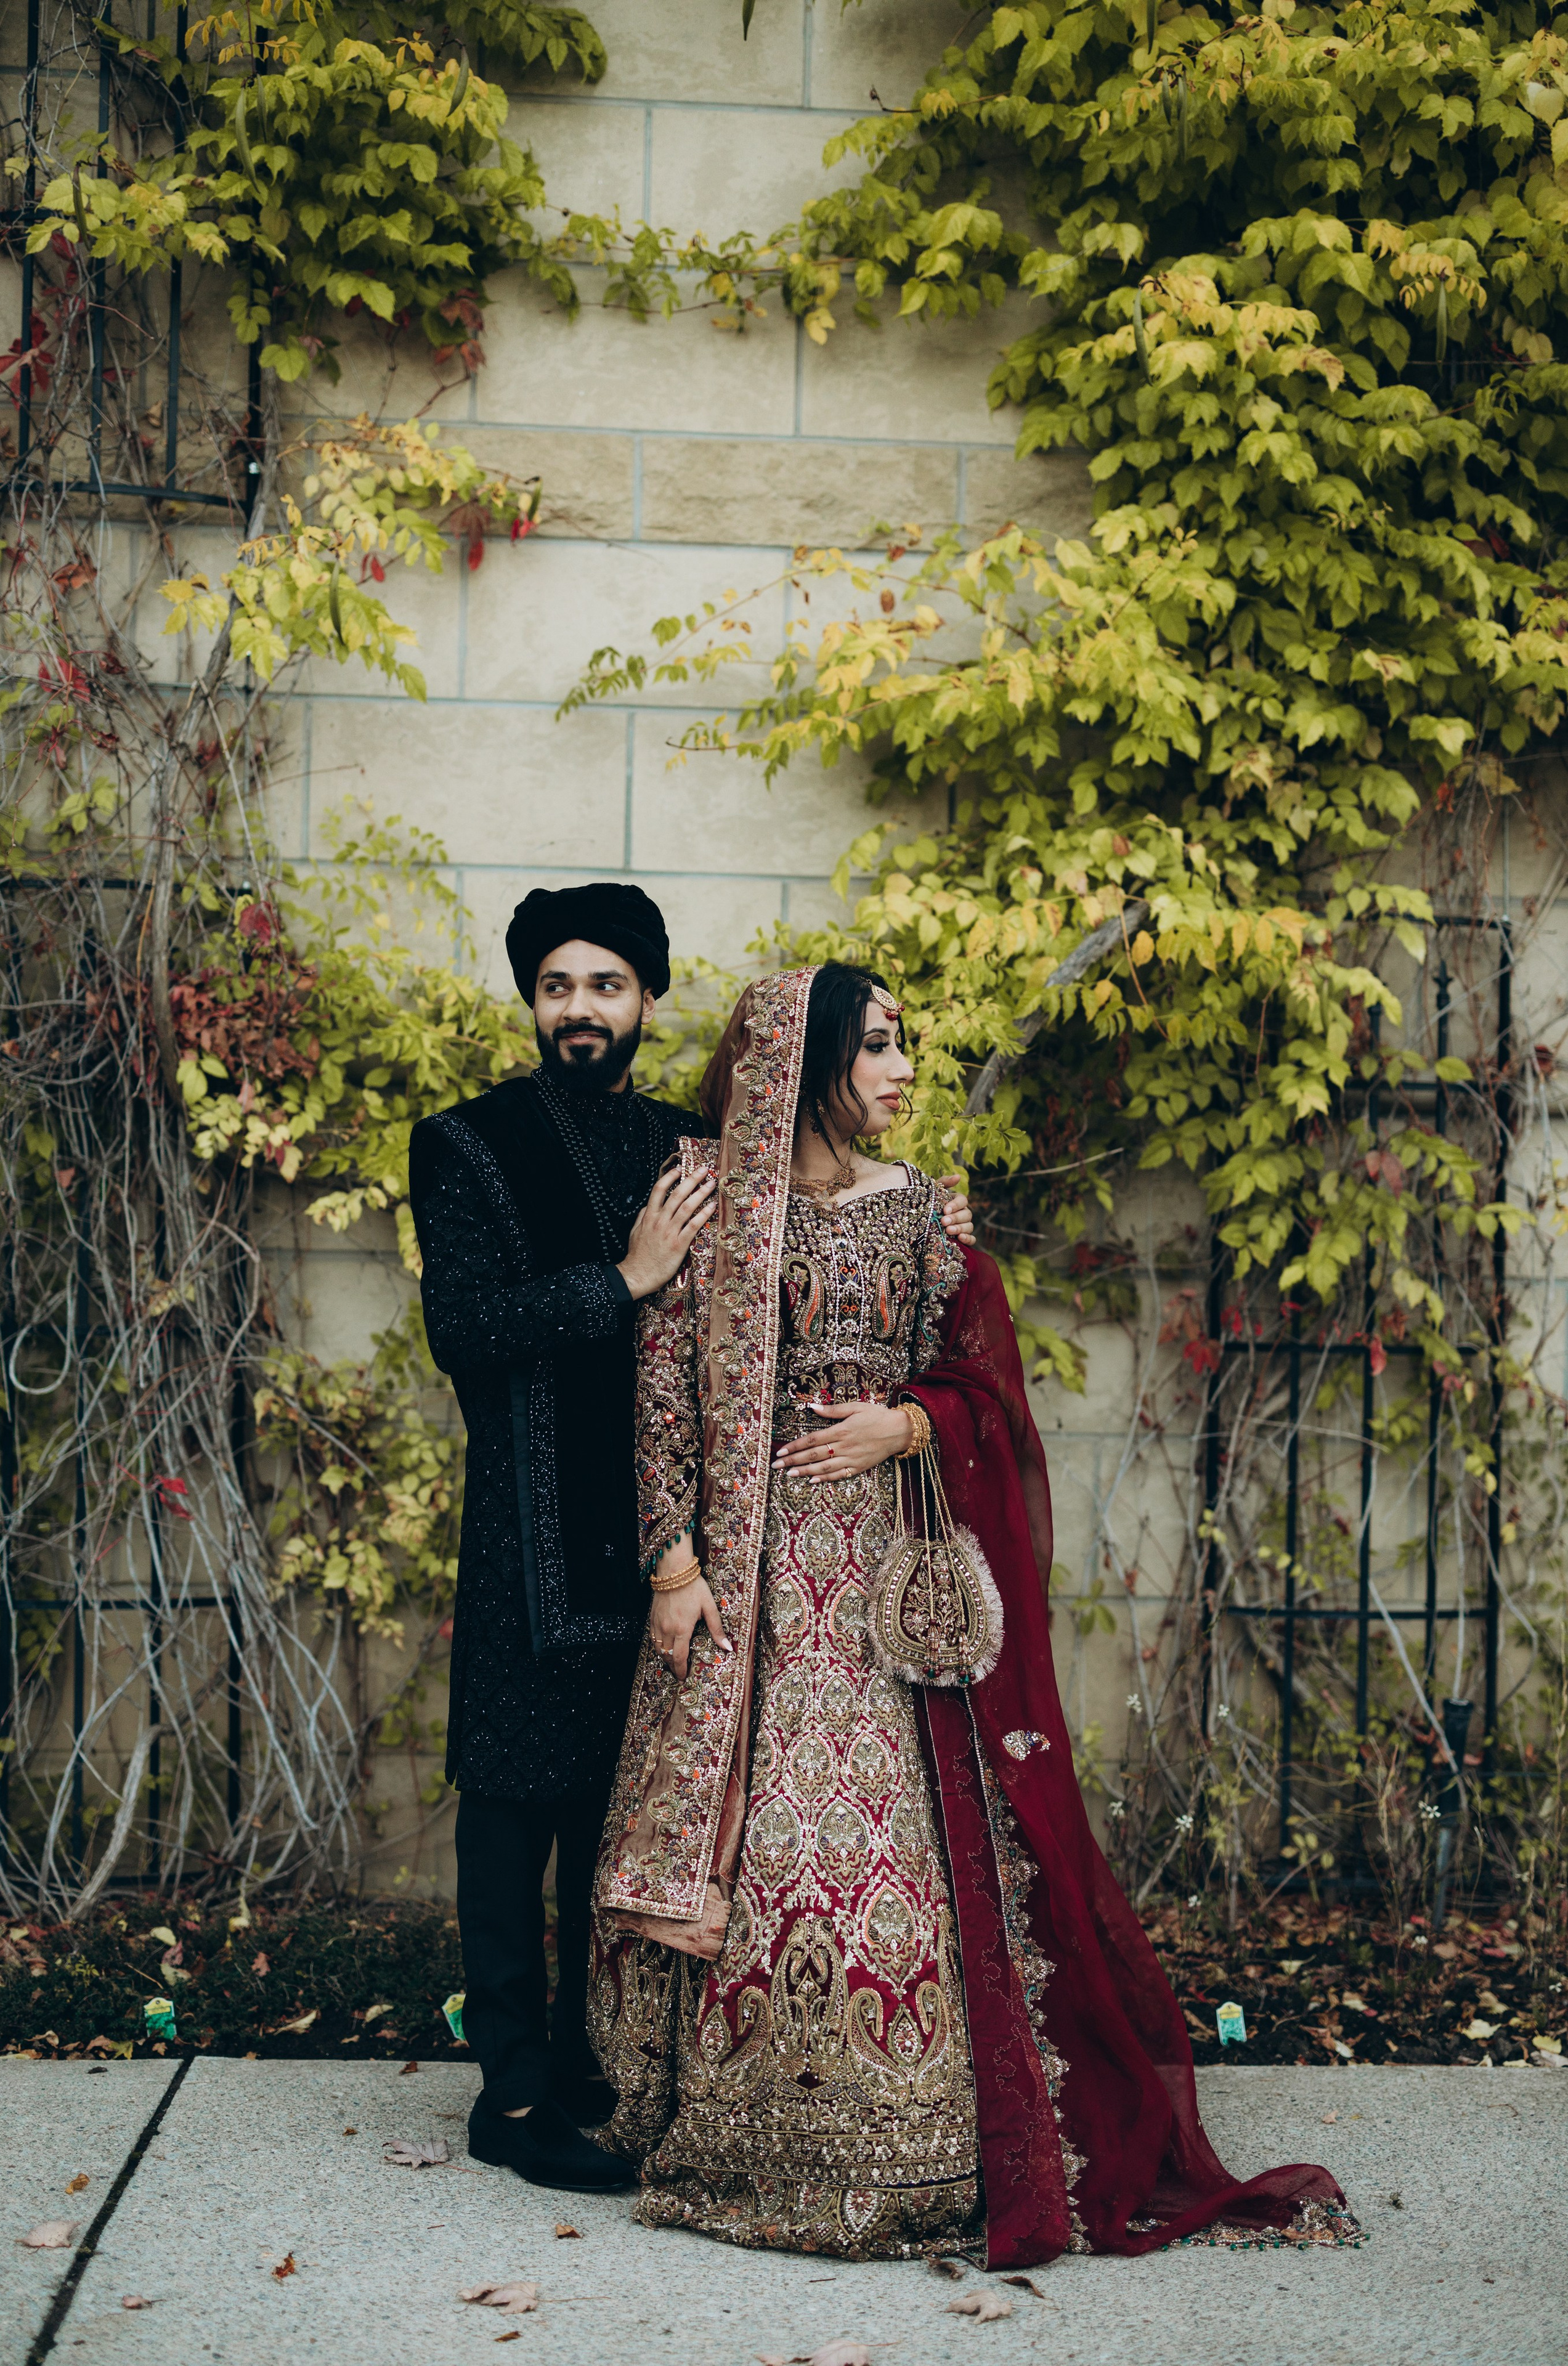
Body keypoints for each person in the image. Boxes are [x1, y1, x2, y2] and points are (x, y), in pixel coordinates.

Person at [587, 961, 1360, 2263]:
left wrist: (907, 1421)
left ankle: (920, 2148)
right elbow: (659, 1397)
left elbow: (983, 1392)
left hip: (888, 1588)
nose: (899, 1071)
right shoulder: (715, 1206)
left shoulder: (921, 1220)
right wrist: (674, 1568)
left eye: (906, 1047)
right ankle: (736, 2140)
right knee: (761, 1849)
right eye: (875, 1046)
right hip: (751, 1588)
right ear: (807, 1058)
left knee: (891, 1860)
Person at [410, 898, 973, 2196]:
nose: (579, 1009)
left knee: (624, 1821)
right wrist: (626, 1275)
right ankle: (509, 2100)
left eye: (605, 984)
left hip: (688, 1536)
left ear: (648, 1001)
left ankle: (604, 2080)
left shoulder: (699, 1146)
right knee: (511, 1817)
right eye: (555, 986)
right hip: (535, 1528)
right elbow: (463, 1329)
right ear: (531, 1002)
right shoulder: (467, 1143)